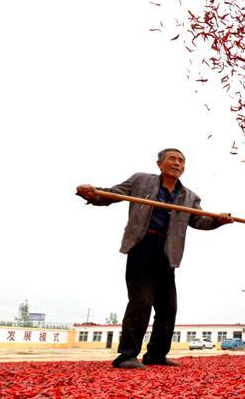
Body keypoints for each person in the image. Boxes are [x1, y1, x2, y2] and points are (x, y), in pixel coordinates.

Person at [76, 149, 233, 369]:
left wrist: (218, 221)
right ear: (159, 164)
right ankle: (127, 356)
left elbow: (199, 222)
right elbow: (112, 194)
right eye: (172, 159)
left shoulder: (189, 197)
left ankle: (156, 355)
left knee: (168, 307)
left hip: (168, 252)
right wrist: (92, 194)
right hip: (142, 247)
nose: (177, 163)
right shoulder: (141, 181)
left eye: (181, 161)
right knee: (141, 302)